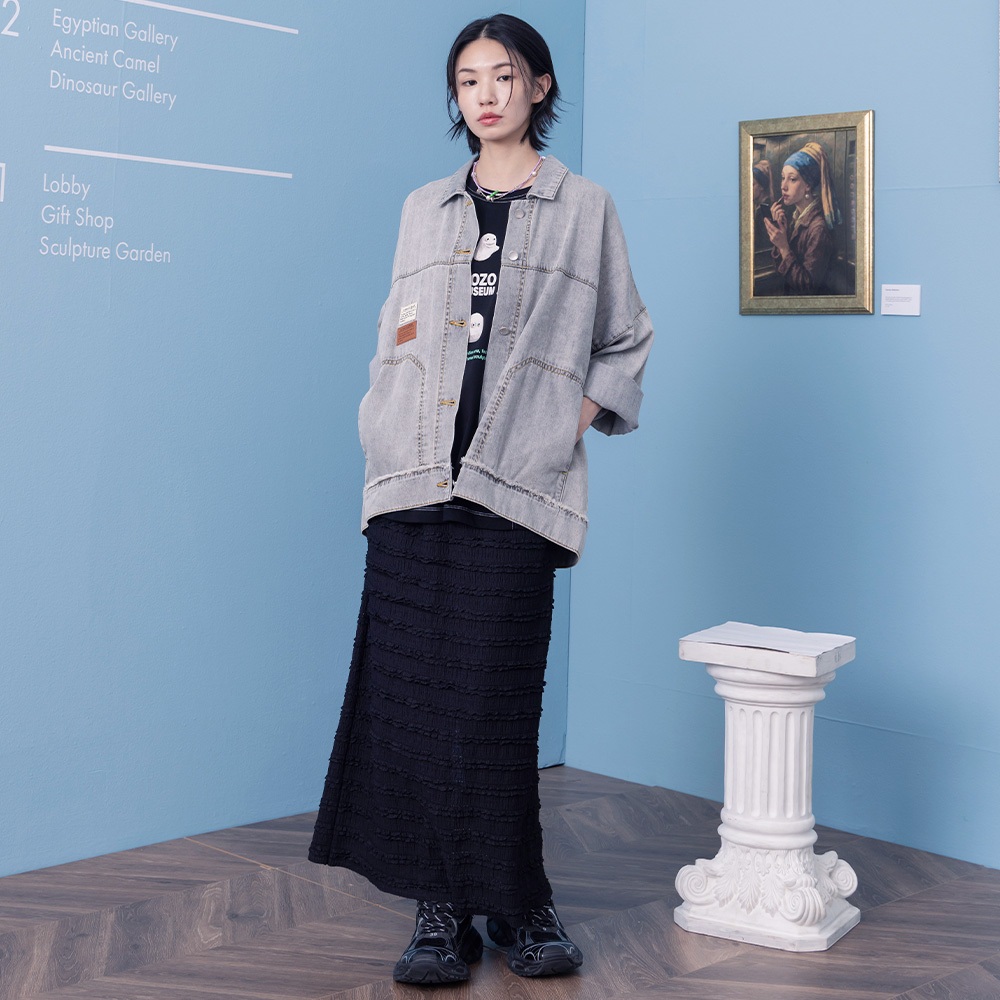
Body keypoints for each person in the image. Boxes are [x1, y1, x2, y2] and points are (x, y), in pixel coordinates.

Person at [308, 13, 653, 986]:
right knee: (416, 704)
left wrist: (563, 421)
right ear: (456, 98)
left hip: (514, 487)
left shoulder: (585, 207)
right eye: (469, 80)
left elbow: (625, 337)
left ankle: (518, 901)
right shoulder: (424, 207)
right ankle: (440, 911)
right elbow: (396, 331)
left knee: (495, 702)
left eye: (505, 75)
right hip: (413, 479)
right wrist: (381, 423)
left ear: (539, 85)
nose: (487, 94)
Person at [764, 141, 840, 294]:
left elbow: (808, 287)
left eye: (792, 179)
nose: (783, 186)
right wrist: (781, 234)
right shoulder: (796, 219)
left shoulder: (819, 228)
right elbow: (781, 271)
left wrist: (784, 247)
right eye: (783, 178)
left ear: (808, 185)